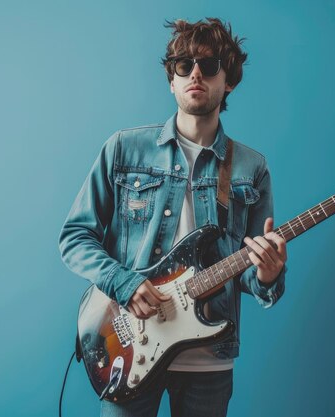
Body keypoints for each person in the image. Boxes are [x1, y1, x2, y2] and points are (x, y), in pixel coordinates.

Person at [59, 17, 287, 417]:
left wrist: (268, 275)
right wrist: (126, 283)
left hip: (209, 360)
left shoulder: (251, 168)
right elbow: (75, 237)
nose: (195, 72)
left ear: (229, 81)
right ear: (172, 79)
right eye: (184, 65)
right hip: (128, 351)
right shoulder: (123, 150)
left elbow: (249, 273)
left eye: (210, 64)